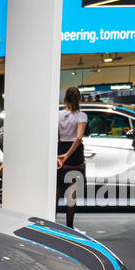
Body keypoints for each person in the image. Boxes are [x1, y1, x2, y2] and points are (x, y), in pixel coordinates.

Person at [57, 86, 87, 229]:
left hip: (60, 148)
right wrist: (68, 155)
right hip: (74, 153)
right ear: (79, 99)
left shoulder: (58, 115)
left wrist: (60, 154)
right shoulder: (81, 115)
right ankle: (69, 226)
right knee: (71, 192)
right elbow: (79, 138)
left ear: (65, 99)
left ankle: (51, 223)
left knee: (56, 189)